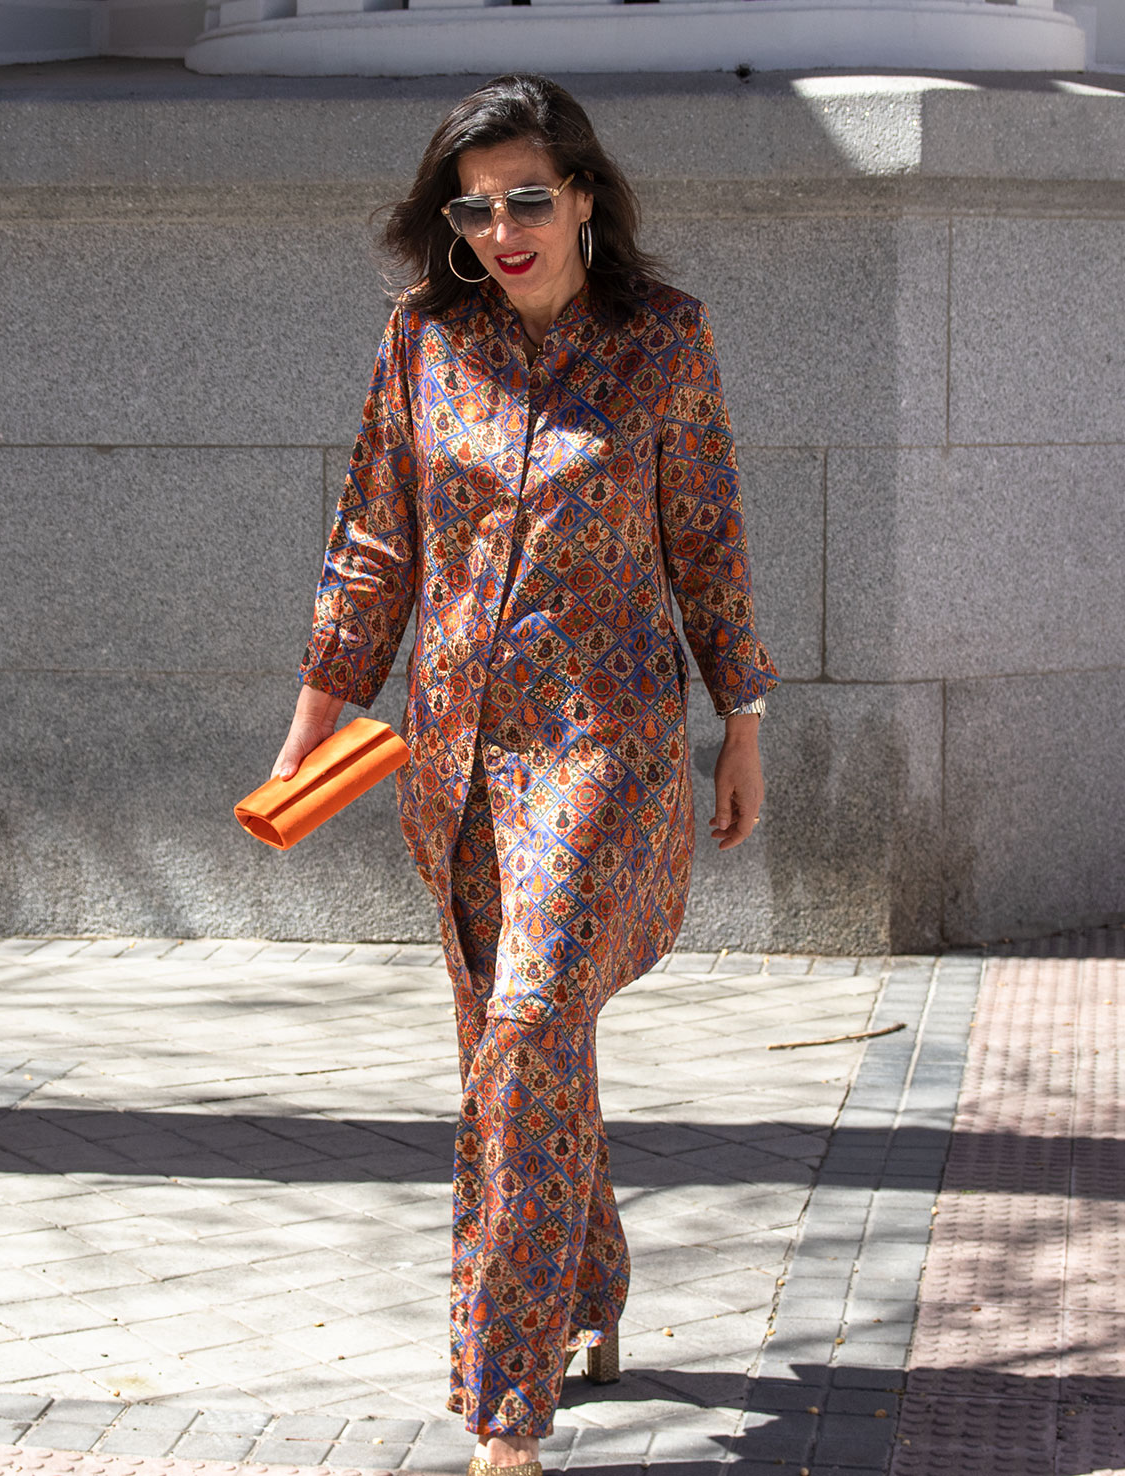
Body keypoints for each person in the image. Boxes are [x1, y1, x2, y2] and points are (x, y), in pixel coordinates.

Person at [271, 73, 778, 1476]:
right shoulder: (423, 341)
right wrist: (313, 723)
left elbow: (708, 537)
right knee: (515, 1053)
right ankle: (592, 1285)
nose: (501, 231)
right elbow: (373, 546)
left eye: (528, 199)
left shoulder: (664, 339)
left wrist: (741, 720)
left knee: (533, 1021)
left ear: (587, 197)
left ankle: (505, 1406)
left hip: (603, 748)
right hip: (454, 759)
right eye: (474, 208)